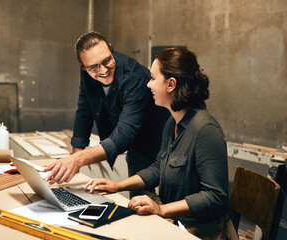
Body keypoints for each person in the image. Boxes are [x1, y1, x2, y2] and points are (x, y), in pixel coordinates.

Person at [85, 48, 238, 239]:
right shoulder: (171, 123)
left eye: (152, 78)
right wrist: (117, 185)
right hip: (178, 224)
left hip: (201, 231)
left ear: (171, 84)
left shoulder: (205, 130)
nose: (148, 85)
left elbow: (215, 197)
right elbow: (158, 169)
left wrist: (161, 209)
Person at [45, 31, 169, 199]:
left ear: (111, 49)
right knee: (139, 197)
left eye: (107, 60)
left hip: (155, 136)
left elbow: (125, 135)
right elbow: (85, 109)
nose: (102, 70)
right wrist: (75, 156)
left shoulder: (135, 77)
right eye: (93, 67)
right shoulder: (88, 71)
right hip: (134, 143)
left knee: (160, 193)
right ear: (82, 65)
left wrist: (79, 159)